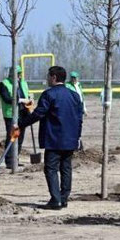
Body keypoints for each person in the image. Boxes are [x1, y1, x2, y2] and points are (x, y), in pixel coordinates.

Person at [17, 66, 84, 210]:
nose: (47, 79)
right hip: (70, 139)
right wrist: (77, 136)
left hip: (54, 139)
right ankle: (64, 198)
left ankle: (56, 199)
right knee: (66, 168)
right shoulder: (74, 95)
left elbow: (38, 114)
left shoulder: (48, 94)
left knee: (51, 168)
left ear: (53, 77)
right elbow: (79, 119)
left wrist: (21, 124)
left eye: (48, 76)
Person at [0, 65, 32, 168]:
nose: (19, 76)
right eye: (17, 74)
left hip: (23, 112)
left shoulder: (23, 82)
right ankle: (9, 161)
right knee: (12, 136)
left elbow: (27, 94)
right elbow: (7, 99)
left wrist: (30, 99)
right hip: (11, 114)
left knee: (20, 137)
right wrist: (21, 100)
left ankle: (15, 159)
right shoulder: (4, 84)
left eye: (19, 74)